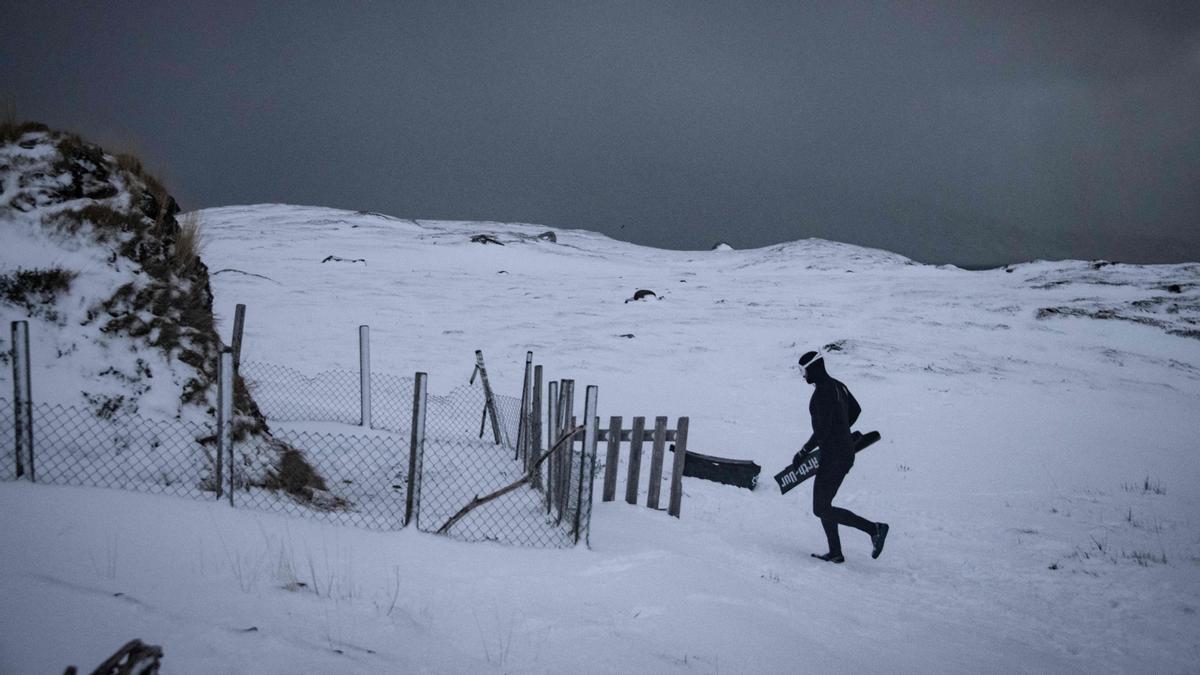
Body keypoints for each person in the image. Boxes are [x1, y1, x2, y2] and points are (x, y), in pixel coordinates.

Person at [796, 350, 888, 563]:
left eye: (804, 370)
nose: (802, 376)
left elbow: (822, 432)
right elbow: (855, 410)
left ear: (814, 368)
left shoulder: (821, 394)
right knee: (824, 504)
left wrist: (803, 452)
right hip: (844, 453)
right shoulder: (838, 385)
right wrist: (842, 431)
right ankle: (835, 552)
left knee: (820, 508)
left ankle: (874, 529)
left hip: (833, 457)